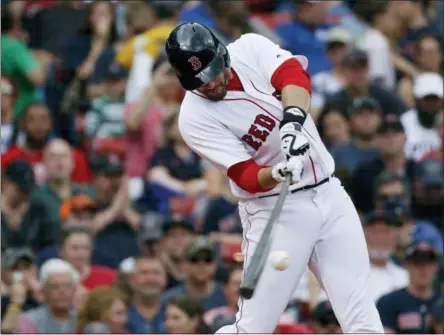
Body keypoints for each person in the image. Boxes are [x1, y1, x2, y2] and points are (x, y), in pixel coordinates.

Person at [165, 22, 384, 333]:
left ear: (222, 54)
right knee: (253, 329)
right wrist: (277, 172)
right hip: (275, 210)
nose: (209, 84)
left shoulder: (250, 48)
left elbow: (293, 75)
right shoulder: (193, 118)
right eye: (197, 81)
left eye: (212, 72)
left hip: (330, 194)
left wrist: (292, 123)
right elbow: (245, 175)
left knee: (361, 316)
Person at [377, 240, 440, 334]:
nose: (423, 270)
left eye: (428, 264)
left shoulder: (441, 303)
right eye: (418, 264)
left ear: (436, 267)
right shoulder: (388, 302)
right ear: (407, 266)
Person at [1, 159, 59, 253]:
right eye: (21, 189)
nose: (25, 194)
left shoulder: (38, 210)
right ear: (6, 183)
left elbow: (49, 244)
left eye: (28, 190)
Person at [162, 237, 227, 311]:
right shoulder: (169, 300)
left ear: (215, 264)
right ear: (184, 264)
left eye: (207, 259)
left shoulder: (229, 296)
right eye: (195, 259)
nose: (201, 264)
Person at [17, 259, 79, 334]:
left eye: (68, 286)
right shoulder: (30, 321)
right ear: (44, 291)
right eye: (55, 287)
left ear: (74, 290)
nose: (62, 292)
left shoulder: (84, 319)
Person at [400, 73, 443, 161]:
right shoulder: (403, 123)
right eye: (427, 99)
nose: (431, 104)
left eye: (435, 99)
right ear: (417, 100)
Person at [127, 256, 167, 334]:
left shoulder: (177, 314)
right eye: (144, 273)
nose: (151, 279)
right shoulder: (119, 315)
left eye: (156, 273)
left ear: (165, 279)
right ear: (131, 280)